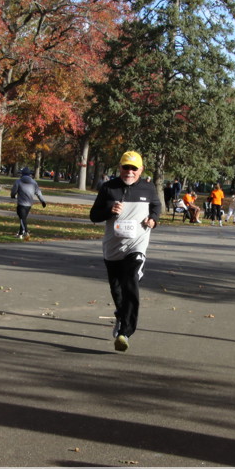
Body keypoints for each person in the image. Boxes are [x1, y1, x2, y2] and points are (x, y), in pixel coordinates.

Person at [89, 151, 160, 352]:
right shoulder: (108, 188)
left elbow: (156, 206)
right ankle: (121, 315)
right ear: (119, 168)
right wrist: (109, 211)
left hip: (136, 245)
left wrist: (153, 219)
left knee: (130, 282)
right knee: (117, 289)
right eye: (125, 167)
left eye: (133, 168)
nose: (129, 171)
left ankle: (125, 332)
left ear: (141, 170)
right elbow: (93, 215)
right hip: (112, 247)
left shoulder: (148, 188)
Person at [10, 167, 46, 240]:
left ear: (22, 174)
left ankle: (26, 232)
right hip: (29, 204)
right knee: (23, 218)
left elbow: (14, 191)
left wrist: (13, 195)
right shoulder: (34, 182)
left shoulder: (18, 181)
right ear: (29, 174)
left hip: (21, 203)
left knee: (22, 218)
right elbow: (38, 193)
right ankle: (20, 234)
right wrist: (42, 201)